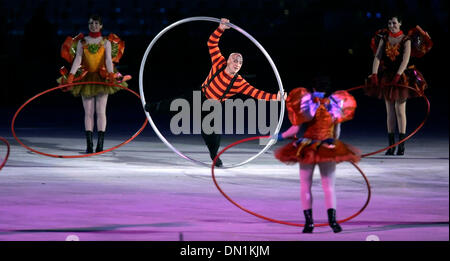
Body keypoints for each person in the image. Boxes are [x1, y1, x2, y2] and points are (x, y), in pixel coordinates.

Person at [145, 18, 284, 167]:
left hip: (212, 106)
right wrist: (221, 29)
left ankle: (215, 155)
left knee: (212, 134)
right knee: (174, 104)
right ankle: (153, 107)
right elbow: (211, 43)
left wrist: (276, 97)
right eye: (234, 60)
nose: (237, 64)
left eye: (240, 62)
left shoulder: (239, 82)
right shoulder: (219, 62)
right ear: (228, 61)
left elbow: (256, 93)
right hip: (199, 95)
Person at [274, 76, 360, 233]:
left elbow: (294, 130)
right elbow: (337, 132)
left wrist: (279, 136)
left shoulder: (307, 103)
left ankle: (309, 224)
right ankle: (333, 222)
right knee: (329, 187)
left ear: (313, 88)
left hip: (307, 147)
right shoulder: (334, 104)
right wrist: (331, 142)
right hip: (327, 146)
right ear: (327, 90)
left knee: (305, 186)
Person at [57, 14, 131, 153]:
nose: (94, 26)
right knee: (88, 112)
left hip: (102, 78)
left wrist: (110, 74)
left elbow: (109, 60)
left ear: (101, 26)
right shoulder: (82, 42)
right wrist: (71, 76)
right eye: (91, 23)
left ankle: (100, 144)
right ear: (88, 25)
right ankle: (89, 144)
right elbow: (78, 59)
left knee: (101, 111)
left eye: (96, 23)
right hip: (87, 78)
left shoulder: (106, 42)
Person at [365, 15, 432, 155]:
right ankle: (391, 145)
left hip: (402, 76)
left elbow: (405, 59)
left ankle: (401, 145)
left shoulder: (406, 39)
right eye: (389, 23)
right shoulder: (384, 38)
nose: (391, 25)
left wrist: (398, 75)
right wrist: (375, 74)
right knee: (389, 111)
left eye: (394, 23)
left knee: (400, 110)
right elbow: (377, 56)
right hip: (388, 76)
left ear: (400, 23)